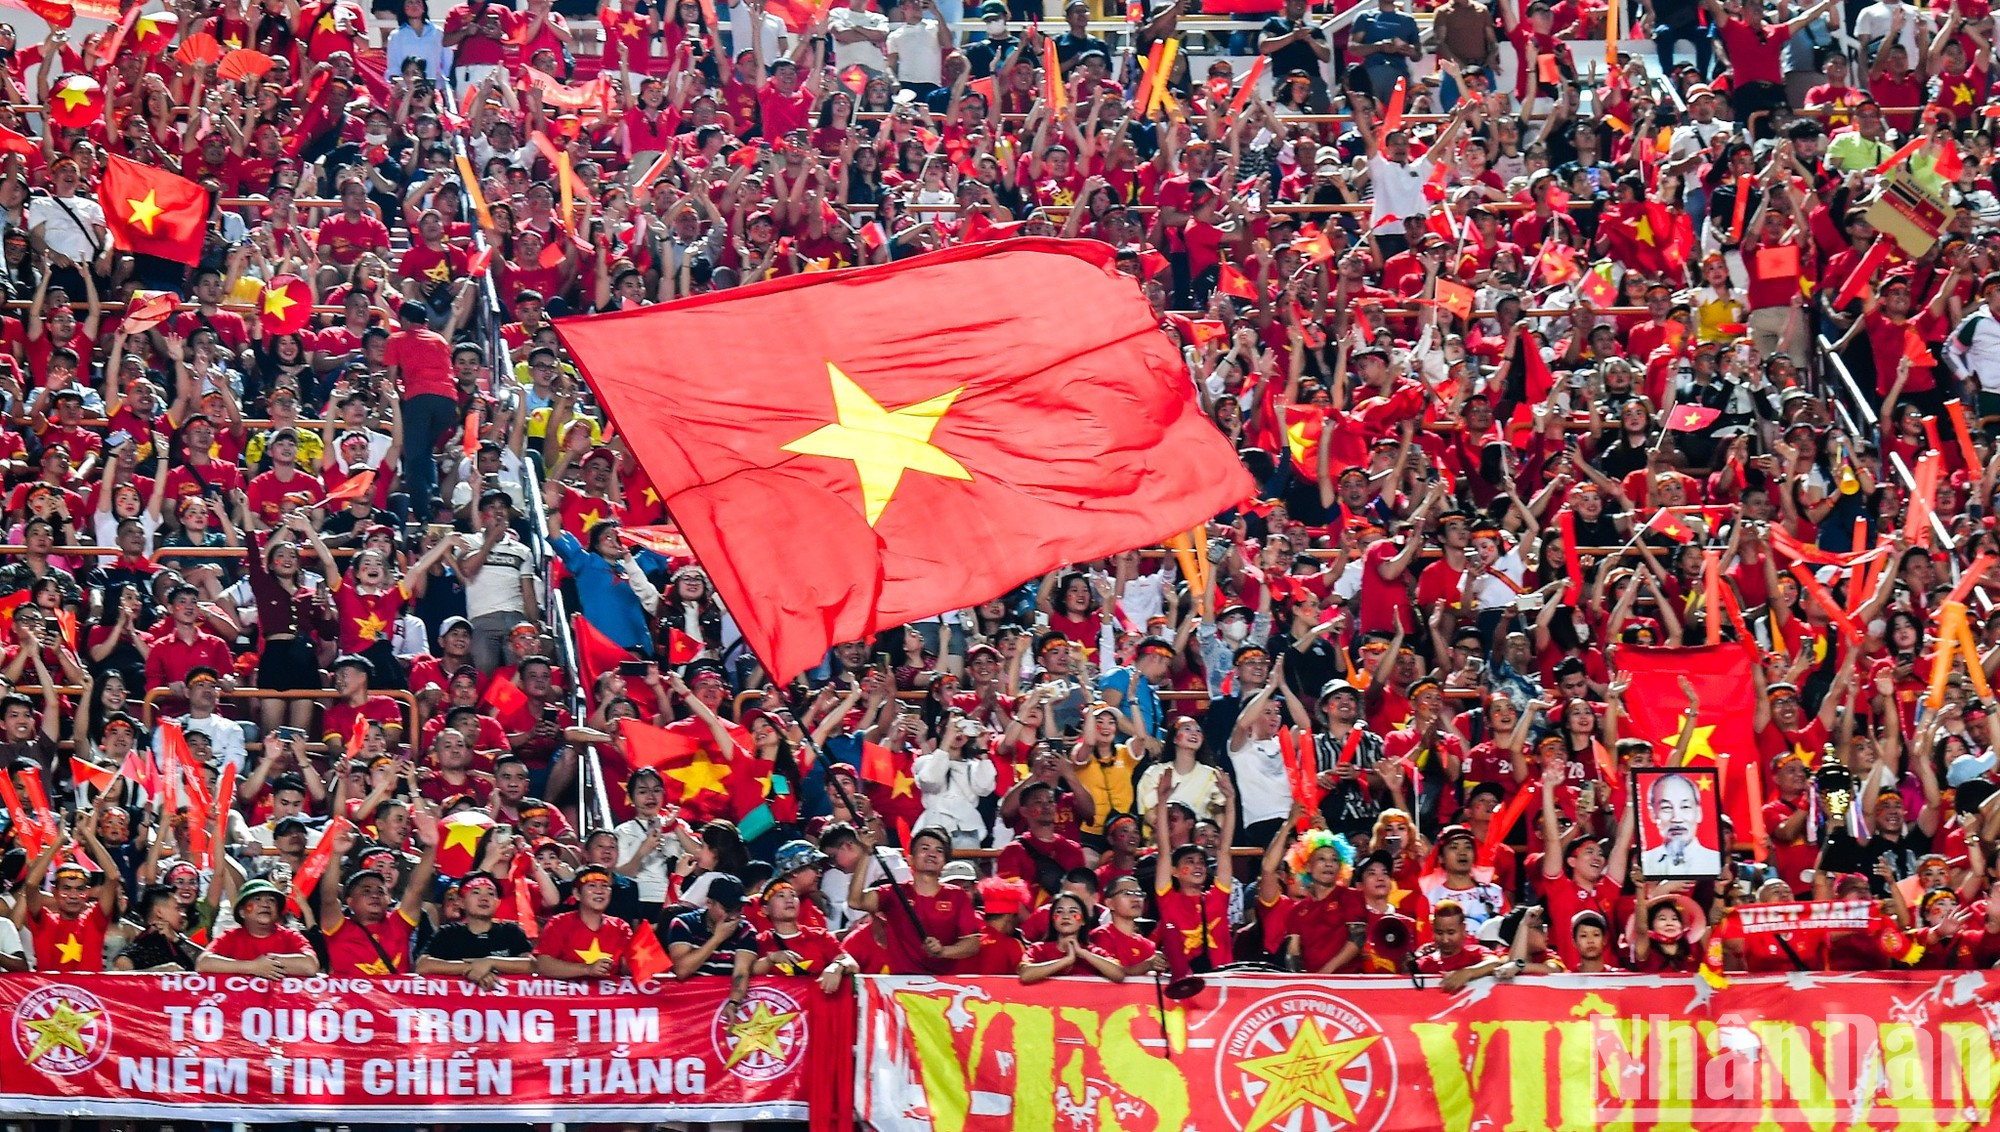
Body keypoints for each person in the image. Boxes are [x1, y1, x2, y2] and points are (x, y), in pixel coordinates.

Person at [846, 827, 980, 975]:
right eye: (925, 848)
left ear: (944, 863)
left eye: (939, 850)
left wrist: (943, 951)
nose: (932, 854)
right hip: (901, 986)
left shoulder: (957, 896)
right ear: (910, 859)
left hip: (944, 986)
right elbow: (855, 901)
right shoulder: (893, 893)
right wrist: (866, 853)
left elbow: (972, 944)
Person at [416, 873, 537, 989]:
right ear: (461, 903)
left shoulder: (511, 932)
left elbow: (532, 965)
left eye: (490, 893)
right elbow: (423, 965)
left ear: (497, 903)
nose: (484, 898)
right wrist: (469, 968)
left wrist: (490, 962)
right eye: (476, 892)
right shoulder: (448, 933)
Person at [665, 873, 759, 1013]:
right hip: (686, 1008)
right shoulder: (684, 923)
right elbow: (682, 970)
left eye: (738, 909)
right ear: (709, 903)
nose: (734, 916)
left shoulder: (746, 930)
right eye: (727, 910)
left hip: (723, 1006)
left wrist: (734, 1002)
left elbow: (741, 972)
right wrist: (717, 939)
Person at [197, 880, 321, 976]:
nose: (265, 904)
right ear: (242, 912)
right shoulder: (231, 937)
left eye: (271, 900)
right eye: (257, 899)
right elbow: (203, 963)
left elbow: (311, 965)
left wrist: (269, 963)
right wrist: (253, 967)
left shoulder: (290, 936)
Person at [1637, 772, 1723, 878]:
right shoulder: (1644, 863)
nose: (1677, 819)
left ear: (1699, 813)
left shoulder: (1715, 863)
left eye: (1685, 807)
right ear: (1653, 814)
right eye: (1666, 808)